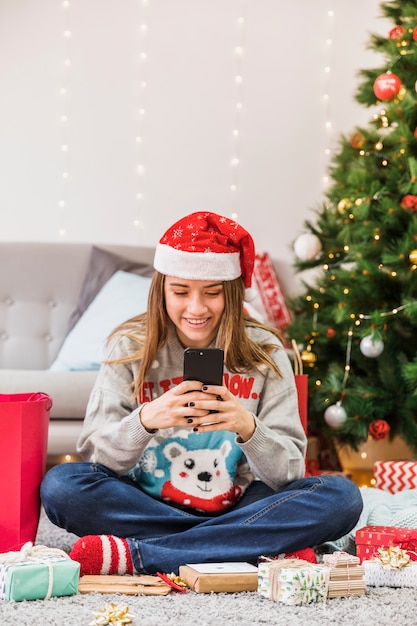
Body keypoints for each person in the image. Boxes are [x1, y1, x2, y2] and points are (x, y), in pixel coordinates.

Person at [40, 211, 362, 576]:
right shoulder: (129, 345)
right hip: (147, 503)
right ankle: (248, 545)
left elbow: (288, 472)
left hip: (241, 505)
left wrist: (247, 428)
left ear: (232, 293)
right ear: (161, 290)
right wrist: (145, 420)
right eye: (180, 292)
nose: (196, 309)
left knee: (342, 498)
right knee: (62, 486)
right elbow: (95, 455)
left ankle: (143, 555)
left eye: (212, 293)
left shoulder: (266, 350)